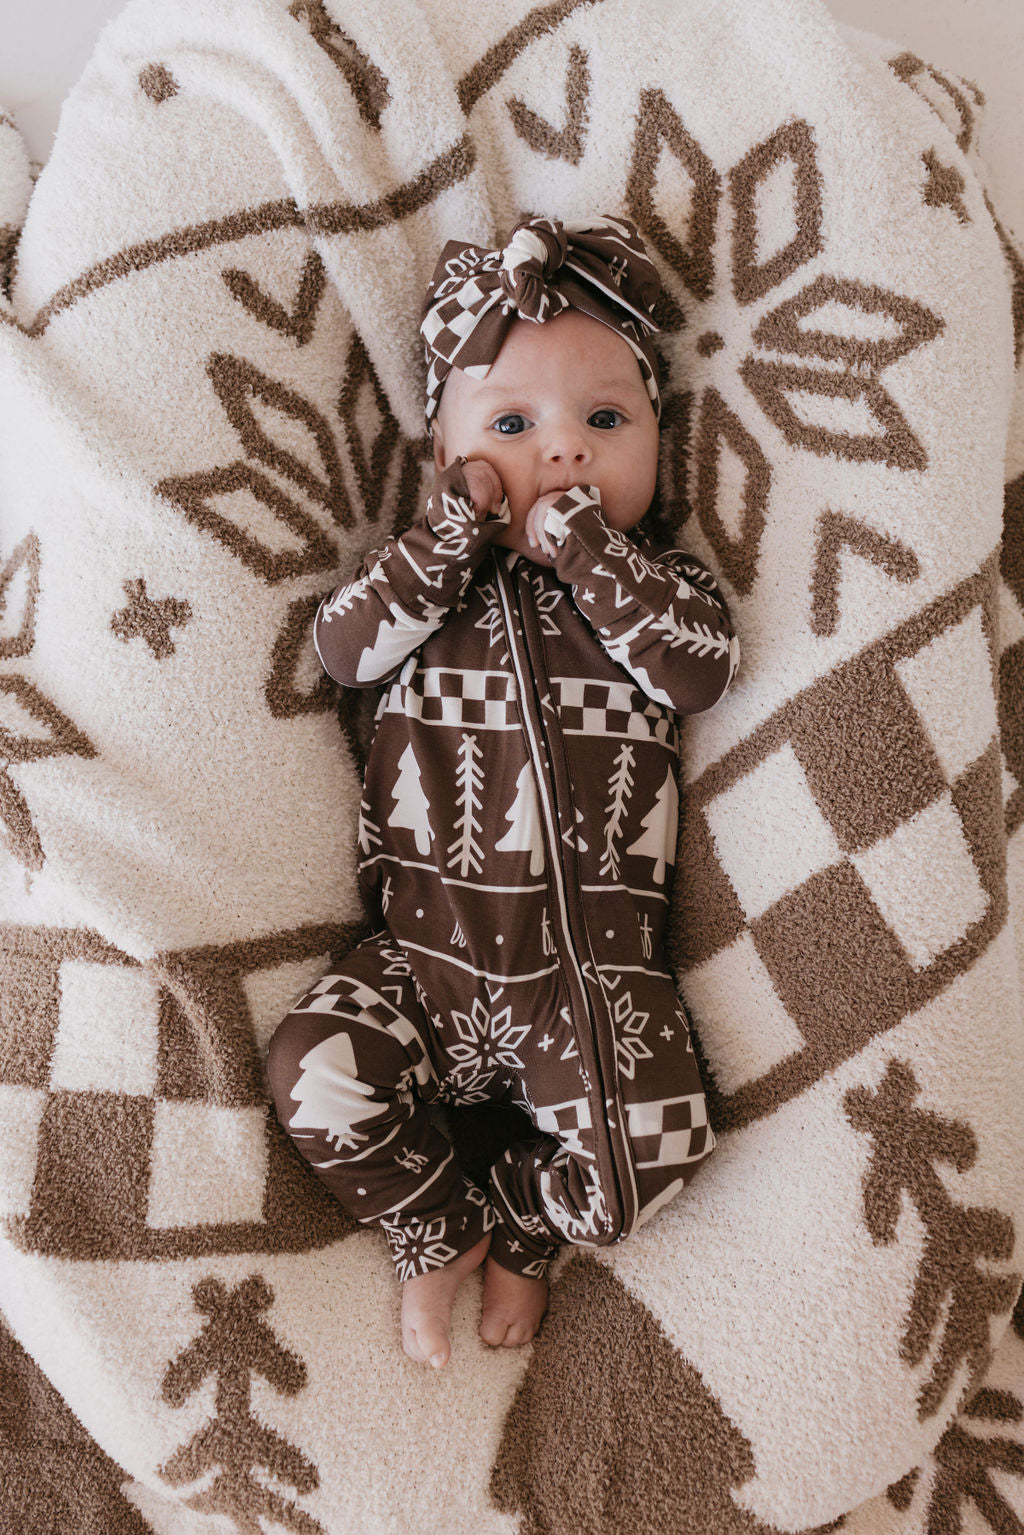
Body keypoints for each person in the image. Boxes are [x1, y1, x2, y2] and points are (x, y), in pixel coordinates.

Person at [267, 215, 739, 1369]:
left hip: (596, 982)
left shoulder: (653, 582)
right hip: (425, 957)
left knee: (657, 1153)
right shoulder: (430, 582)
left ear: (655, 443)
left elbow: (699, 666)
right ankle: (433, 1221)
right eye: (515, 425)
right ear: (448, 448)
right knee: (314, 1067)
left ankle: (527, 1215)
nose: (564, 451)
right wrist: (442, 543)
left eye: (606, 421)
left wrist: (590, 554)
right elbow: (340, 652)